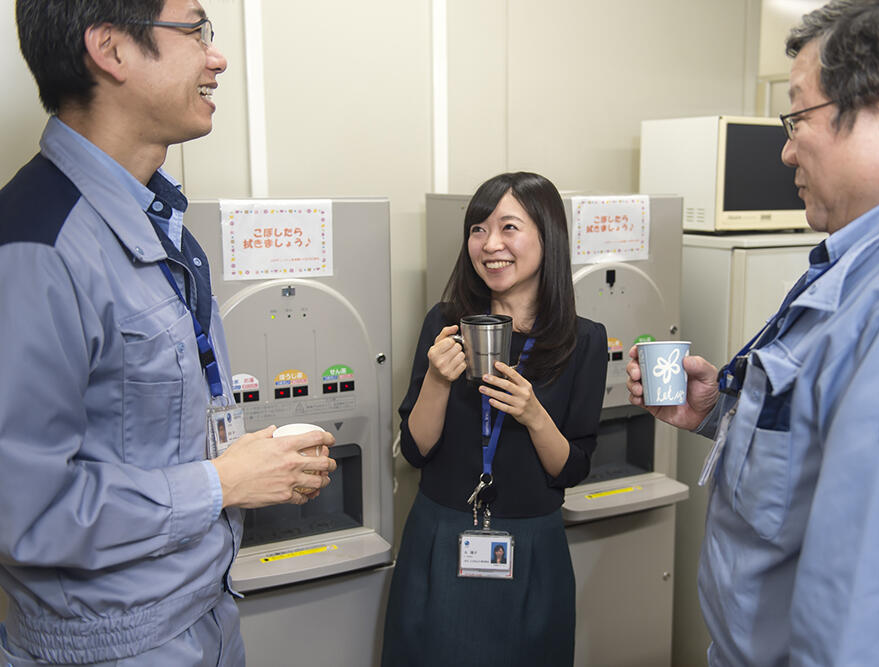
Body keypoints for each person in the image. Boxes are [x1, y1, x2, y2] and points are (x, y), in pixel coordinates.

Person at [627, 0, 879, 664]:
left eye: (799, 117)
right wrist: (724, 408)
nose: (786, 146)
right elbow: (825, 437)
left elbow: (878, 632)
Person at [0, 1, 336, 664]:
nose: (217, 57)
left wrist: (249, 465)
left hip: (205, 614)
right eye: (195, 30)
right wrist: (222, 482)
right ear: (111, 49)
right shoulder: (38, 247)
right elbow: (25, 510)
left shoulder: (156, 216)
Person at [382, 172, 607, 667]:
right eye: (479, 229)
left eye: (509, 228)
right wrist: (438, 381)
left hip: (531, 544)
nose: (491, 245)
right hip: (441, 534)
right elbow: (416, 450)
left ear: (548, 237)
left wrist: (532, 414)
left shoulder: (583, 340)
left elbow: (571, 469)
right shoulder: (444, 323)